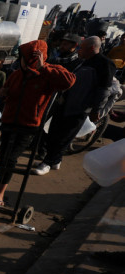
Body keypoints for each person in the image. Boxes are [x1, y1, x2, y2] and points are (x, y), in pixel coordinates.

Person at [0, 40, 75, 206]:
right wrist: (1, 93)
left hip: (28, 125)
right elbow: (5, 93)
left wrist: (43, 67)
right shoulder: (16, 75)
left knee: (10, 159)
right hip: (9, 121)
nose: (19, 61)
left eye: (23, 57)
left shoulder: (48, 74)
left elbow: (69, 81)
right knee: (3, 158)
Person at [33, 36, 114, 176]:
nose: (78, 50)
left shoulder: (104, 64)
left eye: (81, 47)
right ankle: (55, 160)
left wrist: (96, 110)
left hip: (79, 107)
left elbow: (104, 90)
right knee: (53, 132)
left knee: (63, 137)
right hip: (65, 103)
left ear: (90, 48)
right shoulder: (82, 61)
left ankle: (47, 162)